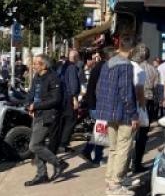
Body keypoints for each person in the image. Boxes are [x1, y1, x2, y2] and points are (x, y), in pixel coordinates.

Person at [95, 36, 139, 196]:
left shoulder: (108, 63)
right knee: (123, 148)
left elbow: (99, 88)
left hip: (108, 111)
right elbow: (126, 93)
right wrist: (134, 115)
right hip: (123, 113)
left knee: (113, 148)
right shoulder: (125, 65)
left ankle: (110, 179)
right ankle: (115, 184)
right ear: (132, 50)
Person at [24, 54, 69, 186]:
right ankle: (41, 174)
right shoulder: (37, 77)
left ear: (43, 65)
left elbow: (56, 99)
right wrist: (28, 106)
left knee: (34, 145)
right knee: (39, 144)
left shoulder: (53, 78)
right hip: (37, 114)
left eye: (36, 63)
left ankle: (59, 163)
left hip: (48, 115)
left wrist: (36, 106)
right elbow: (31, 93)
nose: (33, 66)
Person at [80, 50, 107, 165]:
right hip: (98, 104)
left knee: (99, 130)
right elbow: (100, 88)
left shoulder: (98, 67)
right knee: (101, 131)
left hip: (94, 103)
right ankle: (97, 158)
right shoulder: (103, 68)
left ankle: (88, 151)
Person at [52, 49, 81, 154]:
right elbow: (73, 85)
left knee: (63, 121)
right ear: (76, 57)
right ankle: (63, 144)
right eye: (78, 57)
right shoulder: (72, 67)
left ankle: (60, 143)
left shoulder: (63, 66)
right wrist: (75, 99)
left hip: (62, 97)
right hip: (69, 98)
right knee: (70, 120)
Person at [132, 44, 156, 174]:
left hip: (133, 103)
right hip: (147, 103)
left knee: (130, 135)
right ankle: (137, 163)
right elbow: (156, 87)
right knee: (142, 136)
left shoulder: (131, 68)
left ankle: (127, 163)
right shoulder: (153, 69)